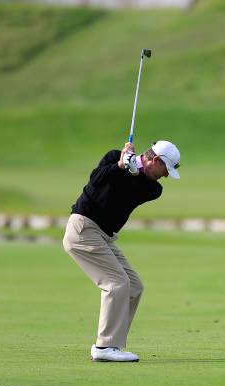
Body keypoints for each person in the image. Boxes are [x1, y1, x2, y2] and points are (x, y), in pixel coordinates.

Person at [63, 140, 181, 362]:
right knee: (116, 283)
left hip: (104, 236)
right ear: (155, 160)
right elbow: (95, 180)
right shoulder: (113, 157)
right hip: (83, 229)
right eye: (165, 169)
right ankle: (104, 347)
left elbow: (131, 190)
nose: (165, 176)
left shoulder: (154, 188)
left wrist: (131, 170)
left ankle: (114, 345)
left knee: (134, 287)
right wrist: (119, 165)